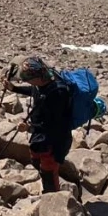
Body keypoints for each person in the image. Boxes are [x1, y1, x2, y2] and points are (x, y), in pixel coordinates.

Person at [4, 56, 74, 193]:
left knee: (48, 172)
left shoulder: (59, 93)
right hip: (39, 136)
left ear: (37, 77)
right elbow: (35, 91)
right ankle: (50, 184)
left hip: (54, 141)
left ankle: (53, 198)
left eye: (28, 80)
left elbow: (55, 125)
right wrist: (14, 88)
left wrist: (29, 127)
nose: (28, 83)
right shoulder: (43, 81)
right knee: (35, 160)